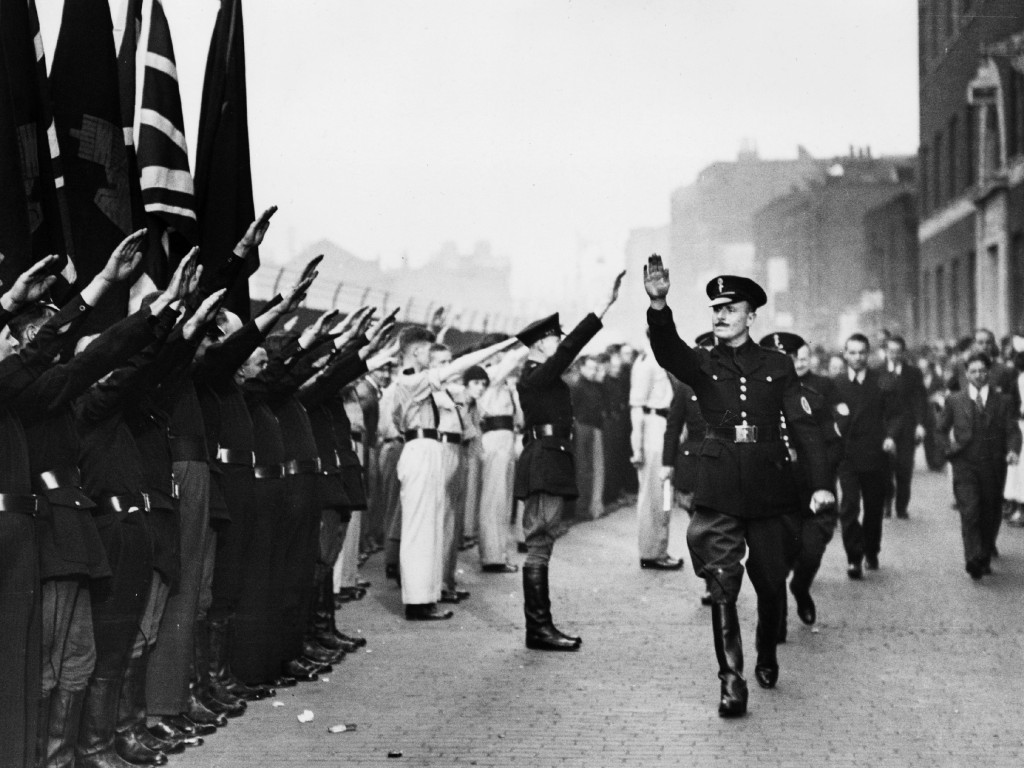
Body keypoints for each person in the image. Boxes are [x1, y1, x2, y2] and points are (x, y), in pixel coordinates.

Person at [643, 258, 833, 717]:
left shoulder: (778, 364)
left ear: (752, 316)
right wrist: (658, 303)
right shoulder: (703, 361)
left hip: (770, 487)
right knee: (723, 583)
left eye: (731, 308)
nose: (721, 315)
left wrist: (821, 484)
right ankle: (732, 681)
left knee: (770, 583)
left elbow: (805, 427)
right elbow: (667, 350)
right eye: (716, 309)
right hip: (720, 483)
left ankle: (767, 648)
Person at [514, 271, 624, 651]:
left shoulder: (540, 375)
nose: (560, 345)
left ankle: (540, 628)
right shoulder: (533, 376)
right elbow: (569, 350)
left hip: (550, 458)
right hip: (544, 459)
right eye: (556, 340)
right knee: (540, 540)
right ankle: (539, 629)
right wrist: (603, 305)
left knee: (543, 540)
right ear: (542, 344)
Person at [759, 332, 844, 635]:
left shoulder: (812, 400)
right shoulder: (752, 401)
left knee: (810, 553)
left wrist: (822, 481)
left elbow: (831, 444)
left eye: (788, 359)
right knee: (773, 562)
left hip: (810, 494)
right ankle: (776, 626)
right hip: (772, 495)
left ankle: (801, 587)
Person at [937, 353, 1021, 579]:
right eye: (973, 371)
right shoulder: (955, 400)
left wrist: (1013, 450)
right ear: (966, 374)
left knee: (990, 513)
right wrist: (948, 450)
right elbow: (941, 429)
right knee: (970, 511)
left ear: (989, 373)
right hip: (964, 464)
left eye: (982, 371)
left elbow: (1013, 430)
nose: (978, 375)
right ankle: (973, 558)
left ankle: (984, 552)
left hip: (993, 465)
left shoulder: (1002, 401)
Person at [832, 333, 896, 578]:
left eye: (862, 353)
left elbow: (894, 414)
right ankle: (853, 558)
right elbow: (826, 417)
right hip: (847, 456)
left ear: (867, 355)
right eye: (853, 352)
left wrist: (890, 436)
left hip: (874, 454)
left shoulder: (881, 382)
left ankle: (871, 549)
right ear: (845, 354)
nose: (857, 357)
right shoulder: (836, 384)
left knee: (873, 507)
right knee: (848, 506)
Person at [629, 333, 683, 570]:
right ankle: (651, 552)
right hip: (653, 429)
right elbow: (637, 408)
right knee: (653, 495)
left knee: (664, 494)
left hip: (665, 427)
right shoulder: (647, 364)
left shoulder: (663, 361)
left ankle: (659, 548)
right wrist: (637, 447)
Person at [878, 336, 927, 519]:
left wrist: (921, 424)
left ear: (903, 352)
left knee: (904, 468)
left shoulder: (913, 373)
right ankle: (886, 504)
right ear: (886, 351)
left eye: (898, 352)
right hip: (884, 427)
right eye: (891, 351)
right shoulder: (877, 372)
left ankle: (901, 506)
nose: (894, 355)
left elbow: (920, 400)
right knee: (884, 469)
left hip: (907, 428)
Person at [570, 355, 607, 520]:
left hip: (593, 427)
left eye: (595, 368)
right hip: (582, 427)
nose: (593, 371)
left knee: (590, 468)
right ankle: (580, 509)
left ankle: (587, 506)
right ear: (582, 368)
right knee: (583, 469)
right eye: (590, 368)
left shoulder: (594, 386)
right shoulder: (578, 386)